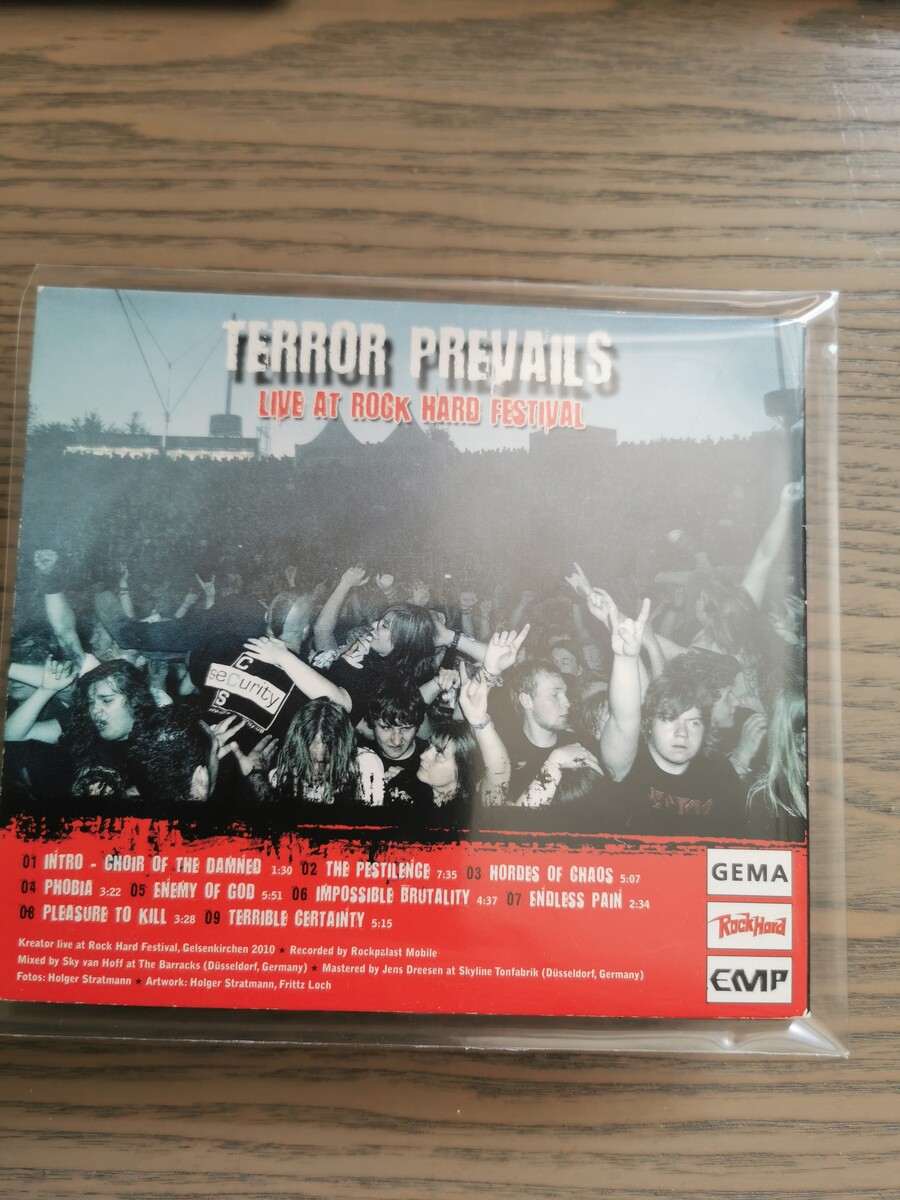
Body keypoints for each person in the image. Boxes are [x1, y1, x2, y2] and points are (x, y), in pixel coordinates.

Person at [270, 698, 384, 814]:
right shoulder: (281, 777)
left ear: (343, 752)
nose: (315, 770)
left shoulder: (366, 765)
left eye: (325, 762)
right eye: (308, 760)